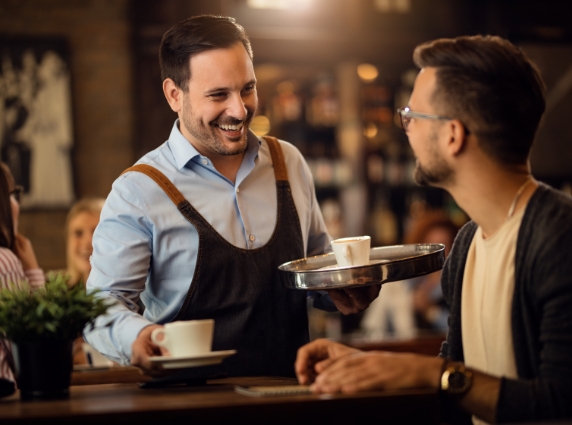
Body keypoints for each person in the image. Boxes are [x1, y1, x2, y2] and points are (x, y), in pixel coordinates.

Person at [295, 35, 572, 424]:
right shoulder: (466, 244)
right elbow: (462, 377)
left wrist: (430, 373)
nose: (405, 129)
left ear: (452, 135)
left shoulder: (558, 237)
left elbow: (560, 400)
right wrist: (373, 365)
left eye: (412, 116)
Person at [84, 15, 379, 378]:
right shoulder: (139, 190)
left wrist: (344, 288)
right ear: (174, 95)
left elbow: (316, 270)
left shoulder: (289, 162)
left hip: (291, 399)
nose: (239, 110)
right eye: (218, 95)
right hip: (191, 409)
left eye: (247, 89)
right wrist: (140, 335)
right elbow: (101, 306)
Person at [360, 209, 459, 339]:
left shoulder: (457, 285)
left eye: (445, 246)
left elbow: (460, 332)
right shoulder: (408, 282)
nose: (437, 254)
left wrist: (431, 311)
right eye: (431, 247)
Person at [0, 162, 43, 389]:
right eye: (11, 195)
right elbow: (33, 349)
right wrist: (33, 272)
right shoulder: (4, 262)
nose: (16, 205)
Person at [63, 198, 105, 365]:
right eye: (78, 233)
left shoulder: (133, 293)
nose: (87, 242)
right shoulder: (58, 296)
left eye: (96, 231)